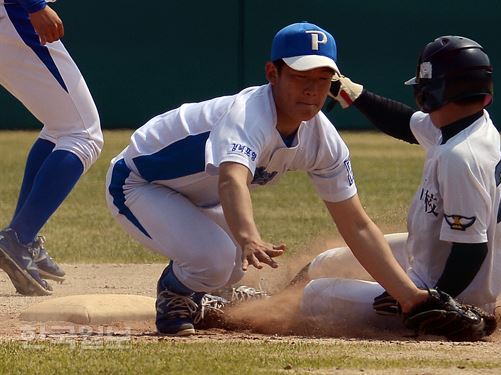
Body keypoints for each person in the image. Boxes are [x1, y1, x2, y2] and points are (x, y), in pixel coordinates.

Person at [105, 21, 431, 336]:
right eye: (301, 75)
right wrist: (248, 237)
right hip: (138, 183)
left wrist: (409, 297)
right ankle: (174, 292)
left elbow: (357, 225)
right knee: (216, 260)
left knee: (231, 268)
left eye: (323, 78)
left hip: (199, 196)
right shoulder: (248, 115)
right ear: (272, 73)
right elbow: (231, 180)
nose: (311, 88)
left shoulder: (323, 139)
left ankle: (210, 295)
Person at [297, 36, 501, 336]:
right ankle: (271, 295)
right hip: (438, 253)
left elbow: (471, 250)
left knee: (315, 295)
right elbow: (406, 124)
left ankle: (260, 307)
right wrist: (354, 94)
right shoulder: (469, 124)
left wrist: (428, 301)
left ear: (433, 91)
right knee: (328, 261)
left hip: (451, 290)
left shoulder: (461, 157)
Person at [0, 0, 103, 296]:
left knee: (61, 127)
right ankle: (18, 238)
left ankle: (22, 240)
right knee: (83, 134)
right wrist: (34, 5)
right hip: (13, 14)